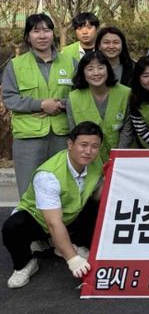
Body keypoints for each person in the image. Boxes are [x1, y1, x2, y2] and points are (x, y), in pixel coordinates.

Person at [2, 122, 105, 289]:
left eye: (94, 146)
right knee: (13, 227)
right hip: (40, 220)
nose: (88, 151)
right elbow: (53, 222)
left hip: (70, 214)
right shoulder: (48, 175)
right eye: (83, 145)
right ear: (70, 144)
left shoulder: (96, 162)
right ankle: (25, 264)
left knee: (100, 205)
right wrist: (73, 259)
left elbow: (97, 194)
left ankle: (70, 243)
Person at [2, 14, 76, 196]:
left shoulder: (70, 62)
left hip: (62, 136)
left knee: (63, 189)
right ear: (28, 37)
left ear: (53, 34)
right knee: (29, 192)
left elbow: (81, 96)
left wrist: (60, 104)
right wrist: (40, 104)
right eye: (36, 31)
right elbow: (10, 98)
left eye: (47, 30)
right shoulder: (16, 65)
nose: (42, 36)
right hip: (28, 138)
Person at [65, 51, 132, 162]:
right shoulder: (73, 98)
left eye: (100, 68)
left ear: (108, 69)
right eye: (90, 69)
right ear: (82, 72)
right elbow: (74, 133)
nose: (96, 73)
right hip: (88, 159)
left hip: (121, 158)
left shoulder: (125, 93)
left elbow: (127, 130)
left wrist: (117, 156)